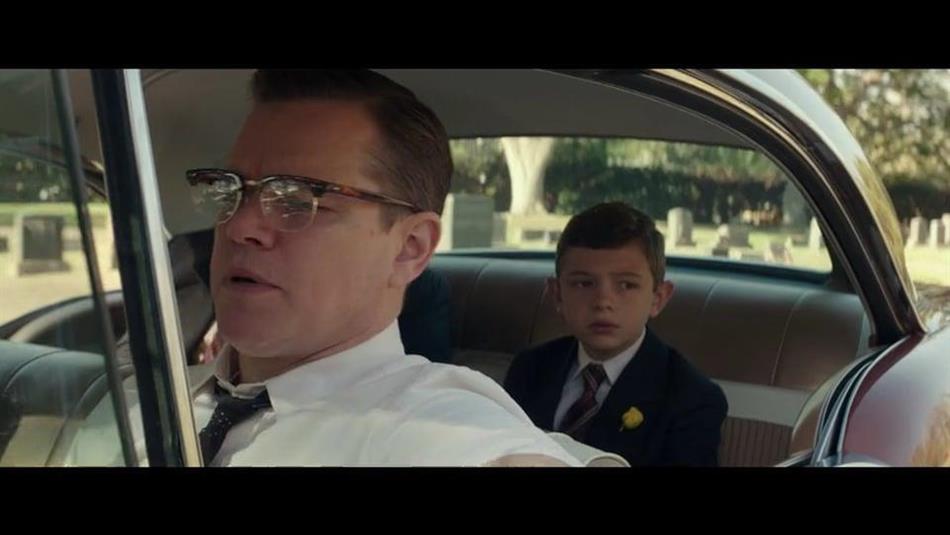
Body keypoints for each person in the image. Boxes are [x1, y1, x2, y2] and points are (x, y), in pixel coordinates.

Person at [177, 69, 581, 466]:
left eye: (296, 200)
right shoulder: (155, 392)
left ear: (409, 248)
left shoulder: (438, 430)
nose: (239, 226)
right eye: (229, 189)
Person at [504, 202, 727, 466]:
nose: (603, 302)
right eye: (584, 283)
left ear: (658, 298)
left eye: (626, 285)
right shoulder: (529, 369)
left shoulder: (691, 399)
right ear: (557, 294)